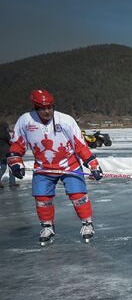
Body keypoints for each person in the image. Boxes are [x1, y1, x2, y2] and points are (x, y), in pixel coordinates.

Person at [8, 89, 103, 244]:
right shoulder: (25, 121)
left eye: (50, 107)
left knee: (78, 195)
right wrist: (16, 162)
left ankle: (87, 224)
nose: (47, 111)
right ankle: (47, 226)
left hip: (69, 166)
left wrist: (93, 164)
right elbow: (17, 145)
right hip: (43, 168)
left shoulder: (66, 121)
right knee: (42, 198)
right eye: (43, 108)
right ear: (36, 108)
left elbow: (80, 145)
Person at [0, 121, 15, 188]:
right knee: (12, 167)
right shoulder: (5, 133)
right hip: (7, 152)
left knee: (3, 167)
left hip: (1, 154)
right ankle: (12, 183)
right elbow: (10, 141)